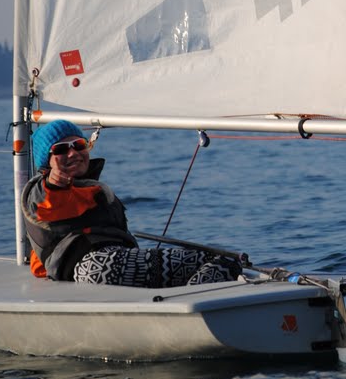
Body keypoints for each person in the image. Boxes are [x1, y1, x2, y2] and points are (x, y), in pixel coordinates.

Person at [21, 119, 241, 287]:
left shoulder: (85, 188)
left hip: (103, 267)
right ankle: (188, 316)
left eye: (79, 145)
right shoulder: (43, 190)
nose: (72, 153)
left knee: (205, 267)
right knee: (226, 262)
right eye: (60, 149)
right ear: (47, 162)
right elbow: (47, 203)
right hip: (100, 266)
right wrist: (56, 181)